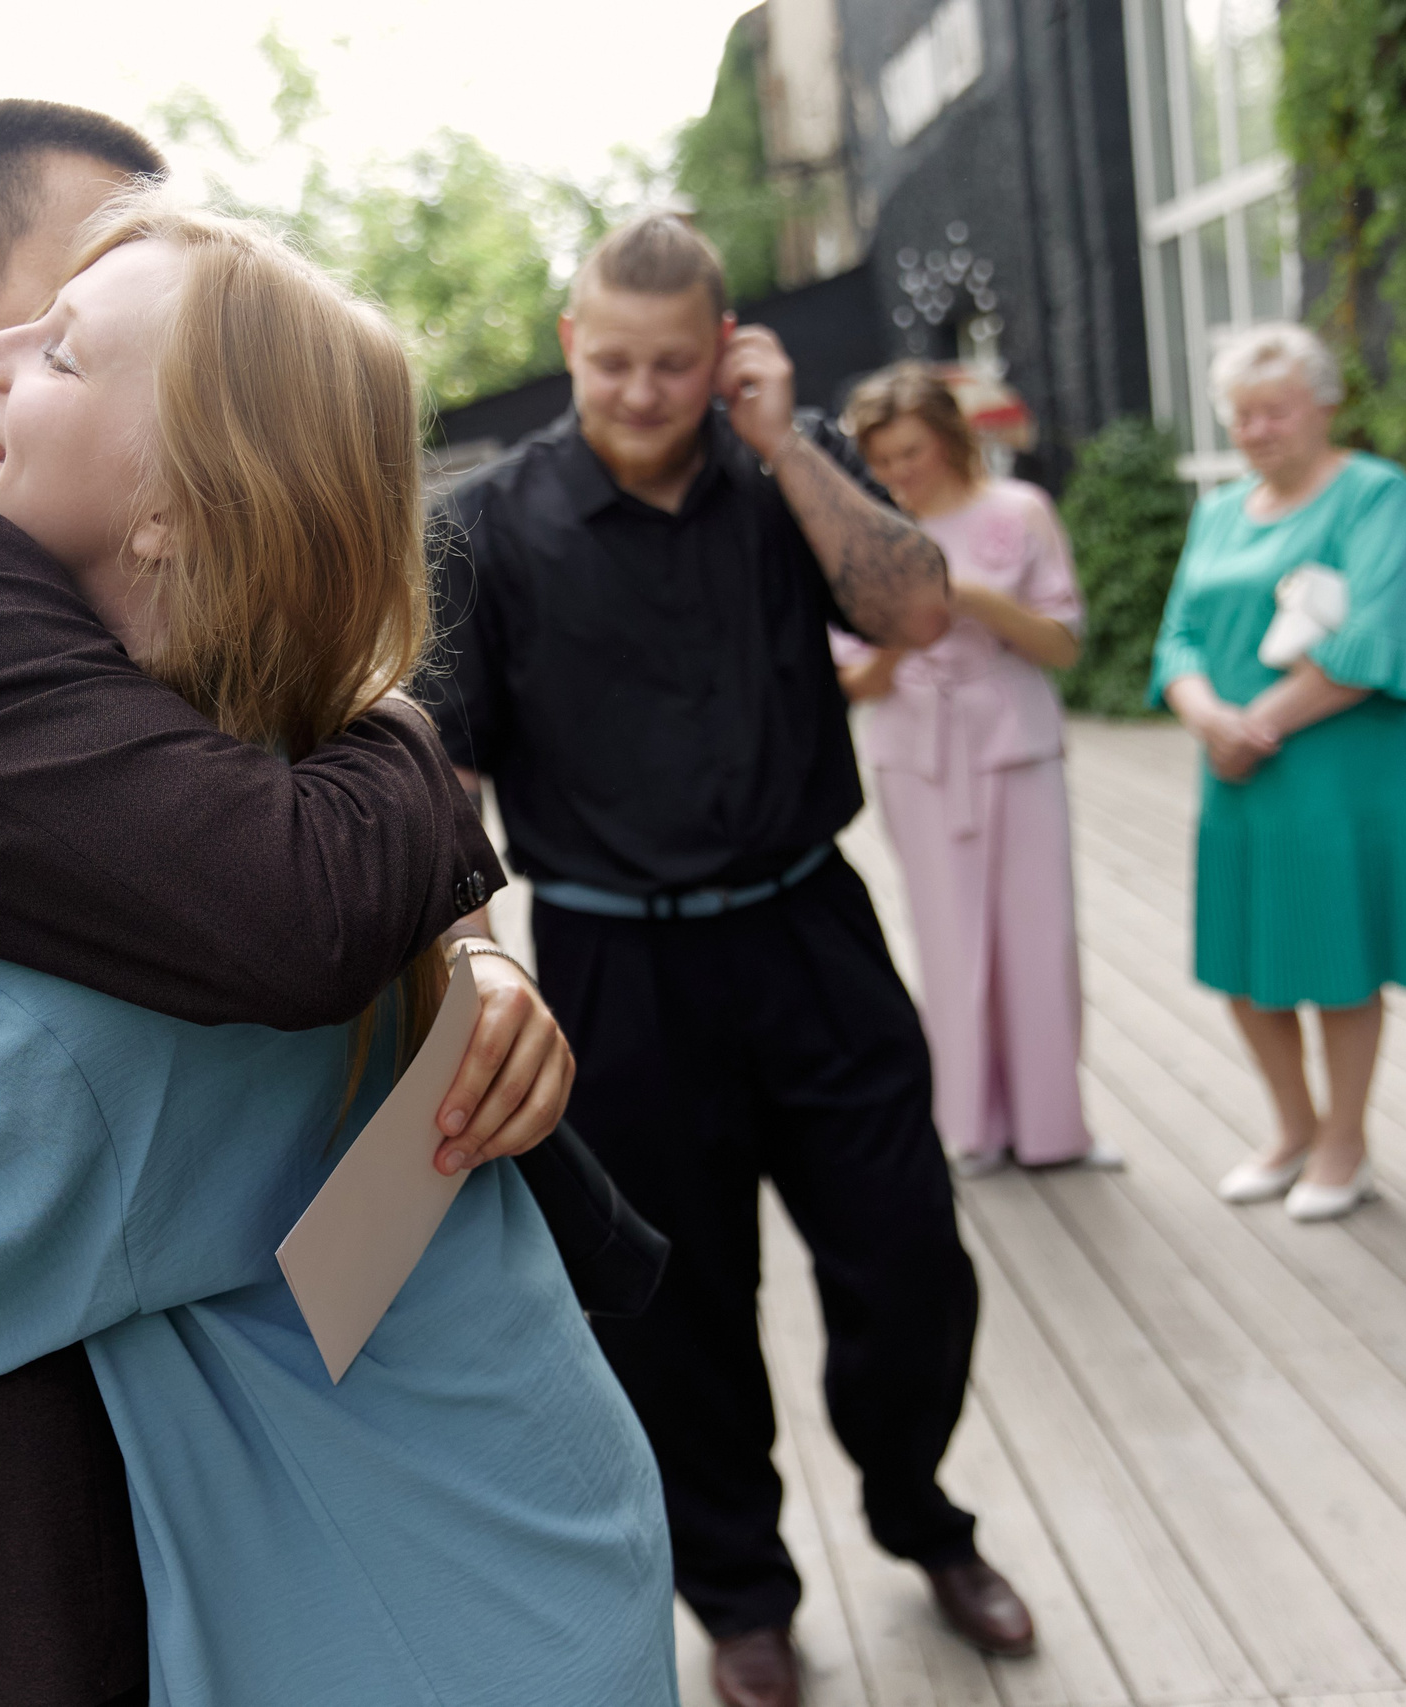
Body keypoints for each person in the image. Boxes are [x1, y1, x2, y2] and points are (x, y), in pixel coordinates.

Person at [0, 195, 676, 1706]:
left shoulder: (144, 992)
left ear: (173, 504)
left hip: (430, 1636)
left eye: (67, 353)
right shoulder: (289, 794)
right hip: (535, 1572)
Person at [427, 213, 1036, 1707]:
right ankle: (743, 1596)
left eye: (675, 363)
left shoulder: (788, 465)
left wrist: (790, 444)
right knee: (681, 1318)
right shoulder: (485, 523)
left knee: (908, 1262)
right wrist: (473, 954)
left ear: (727, 353)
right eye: (614, 360)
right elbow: (444, 770)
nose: (641, 391)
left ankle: (918, 1511)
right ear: (574, 344)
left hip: (811, 929)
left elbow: (916, 608)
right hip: (618, 965)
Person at [1154, 323, 1406, 1223]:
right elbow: (1179, 636)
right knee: (1243, 958)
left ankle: (1345, 1142)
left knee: (1341, 957)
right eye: (1241, 415)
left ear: (1324, 404)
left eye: (1275, 409)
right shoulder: (1217, 511)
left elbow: (1376, 636)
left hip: (1334, 770)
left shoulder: (1371, 493)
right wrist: (1207, 715)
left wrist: (1258, 724)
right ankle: (1292, 1127)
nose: (1258, 429)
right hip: (1235, 772)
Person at [834, 362, 1112, 1175]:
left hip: (1015, 740)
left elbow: (1062, 643)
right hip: (915, 750)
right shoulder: (861, 533)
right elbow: (853, 679)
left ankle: (1057, 1125)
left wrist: (972, 598)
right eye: (881, 460)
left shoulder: (1020, 513)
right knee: (947, 936)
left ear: (951, 439)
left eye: (911, 453)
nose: (896, 475)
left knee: (1040, 933)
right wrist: (902, 628)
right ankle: (970, 1126)